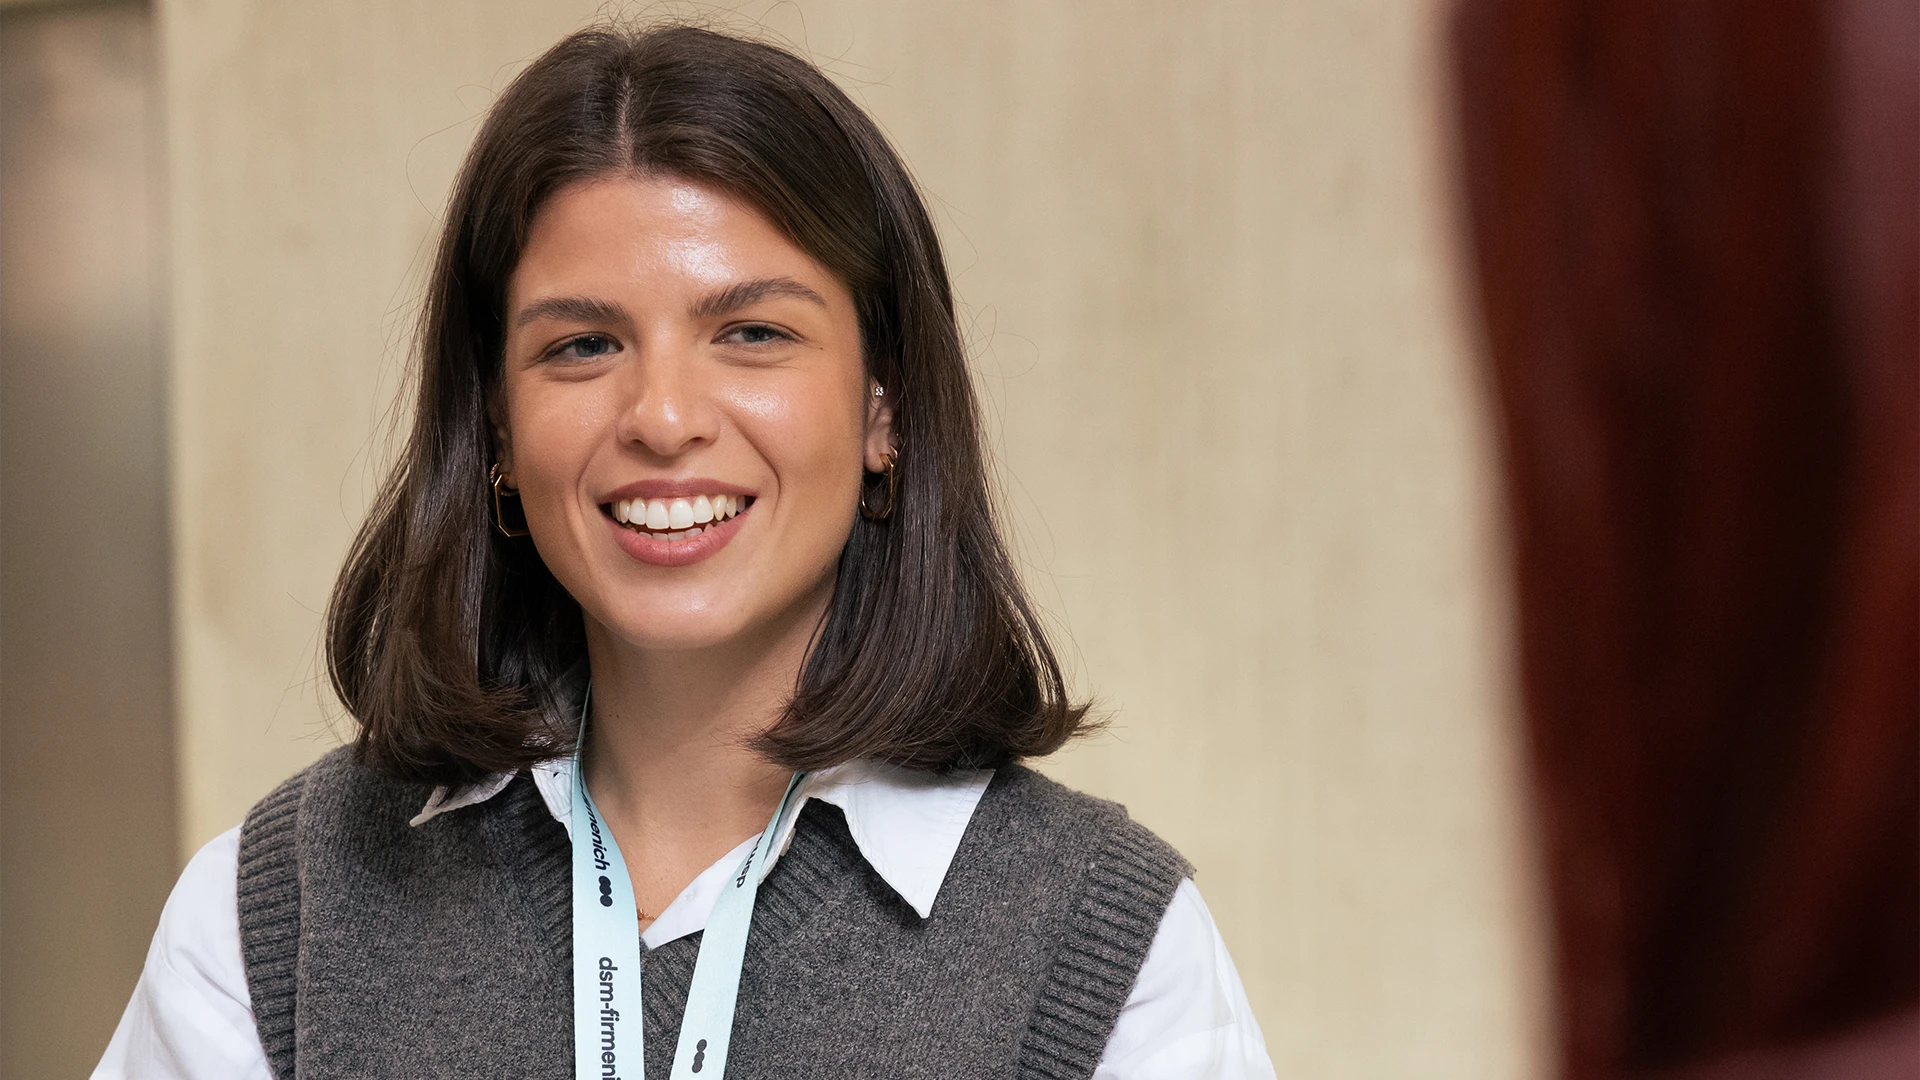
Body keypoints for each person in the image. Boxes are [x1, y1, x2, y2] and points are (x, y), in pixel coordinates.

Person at [93, 23, 1274, 1080]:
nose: (662, 417)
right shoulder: (282, 912)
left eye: (752, 333)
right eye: (583, 346)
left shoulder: (1102, 943)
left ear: (883, 409)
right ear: (497, 428)